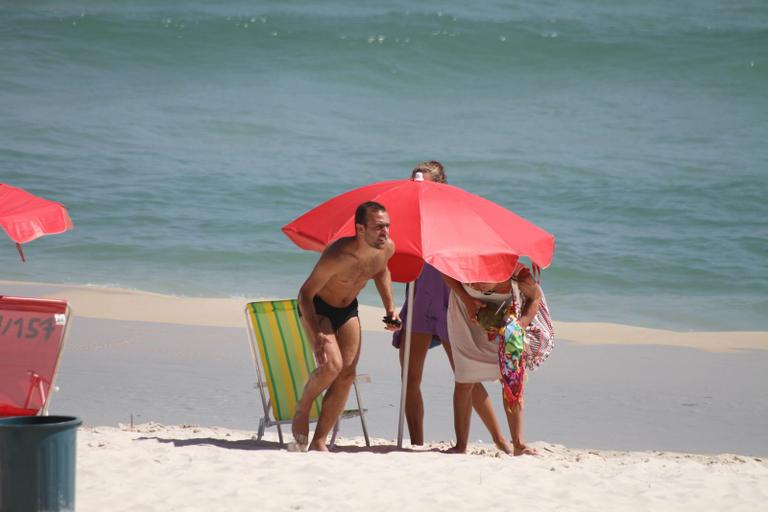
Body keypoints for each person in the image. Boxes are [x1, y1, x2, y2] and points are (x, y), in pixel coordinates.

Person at [392, 161, 512, 451]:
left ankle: (500, 440)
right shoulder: (408, 219)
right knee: (410, 378)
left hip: (450, 302)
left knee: (467, 375)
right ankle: (417, 444)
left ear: (440, 186)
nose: (418, 190)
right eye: (414, 184)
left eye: (425, 185)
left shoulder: (454, 218)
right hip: (419, 299)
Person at [292, 201, 400, 451]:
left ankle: (319, 441)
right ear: (361, 229)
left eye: (387, 226)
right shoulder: (337, 255)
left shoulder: (386, 249)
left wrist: (390, 309)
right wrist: (317, 332)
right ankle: (304, 405)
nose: (385, 233)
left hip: (348, 308)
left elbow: (381, 271)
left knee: (347, 374)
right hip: (318, 307)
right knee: (332, 366)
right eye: (378, 228)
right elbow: (305, 293)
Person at [443, 264, 543, 455]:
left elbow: (535, 296)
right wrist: (466, 298)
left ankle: (519, 443)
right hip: (465, 318)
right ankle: (461, 445)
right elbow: (445, 271)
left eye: (481, 280)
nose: (475, 283)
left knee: (511, 379)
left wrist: (521, 325)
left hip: (505, 325)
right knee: (464, 379)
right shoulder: (465, 262)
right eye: (472, 278)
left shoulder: (516, 274)